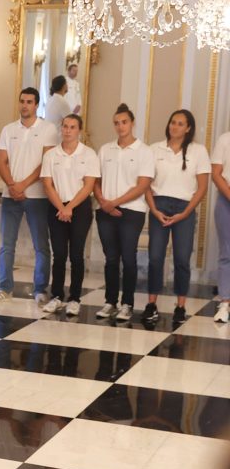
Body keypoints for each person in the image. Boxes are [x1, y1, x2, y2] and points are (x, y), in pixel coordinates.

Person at [0, 88, 58, 304]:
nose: (25, 105)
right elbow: (1, 161)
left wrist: (23, 185)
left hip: (38, 196)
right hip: (10, 196)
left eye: (29, 102)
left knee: (41, 246)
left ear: (37, 105)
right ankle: (4, 287)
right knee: (7, 244)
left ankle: (40, 289)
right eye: (22, 101)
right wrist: (12, 185)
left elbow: (46, 162)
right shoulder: (9, 130)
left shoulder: (48, 129)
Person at [142, 110, 210, 325]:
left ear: (188, 128)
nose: (175, 127)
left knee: (181, 259)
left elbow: (202, 187)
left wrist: (187, 212)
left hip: (185, 208)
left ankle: (180, 306)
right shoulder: (154, 149)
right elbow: (145, 183)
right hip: (159, 205)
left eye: (181, 124)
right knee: (155, 258)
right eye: (173, 122)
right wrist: (153, 209)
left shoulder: (199, 151)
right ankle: (151, 303)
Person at [93, 103, 155, 322]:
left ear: (132, 123)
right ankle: (110, 302)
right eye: (117, 123)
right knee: (111, 258)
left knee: (128, 258)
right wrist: (103, 201)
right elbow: (95, 180)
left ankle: (127, 303)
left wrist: (115, 202)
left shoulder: (144, 151)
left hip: (132, 211)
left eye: (124, 122)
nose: (120, 127)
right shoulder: (105, 149)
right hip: (105, 210)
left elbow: (142, 185)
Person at [39, 114, 99, 316]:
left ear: (79, 130)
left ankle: (74, 298)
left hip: (79, 208)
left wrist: (70, 207)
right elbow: (47, 185)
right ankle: (56, 296)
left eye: (72, 127)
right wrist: (61, 208)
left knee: (76, 255)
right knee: (59, 254)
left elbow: (89, 185)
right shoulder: (50, 155)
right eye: (65, 126)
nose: (67, 130)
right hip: (56, 206)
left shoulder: (89, 154)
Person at [212, 130, 230, 323]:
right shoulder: (225, 139)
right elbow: (216, 174)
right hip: (227, 200)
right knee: (227, 252)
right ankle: (225, 302)